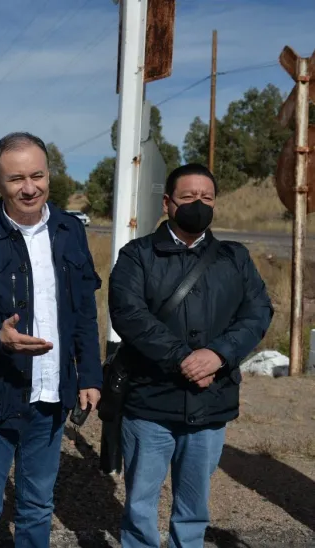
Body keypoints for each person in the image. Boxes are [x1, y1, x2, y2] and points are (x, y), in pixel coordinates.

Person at [0, 131, 103, 547]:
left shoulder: (70, 230)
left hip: (50, 397)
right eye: (16, 179)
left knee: (37, 506)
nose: (29, 188)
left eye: (38, 176)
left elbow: (84, 310)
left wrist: (90, 376)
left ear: (50, 175)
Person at [108, 163, 274, 548]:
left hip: (210, 404)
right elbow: (129, 315)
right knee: (140, 508)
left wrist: (218, 354)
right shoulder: (137, 255)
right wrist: (185, 358)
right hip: (149, 403)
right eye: (187, 197)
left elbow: (258, 312)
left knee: (194, 509)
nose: (198, 204)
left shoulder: (234, 257)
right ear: (167, 203)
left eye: (206, 198)